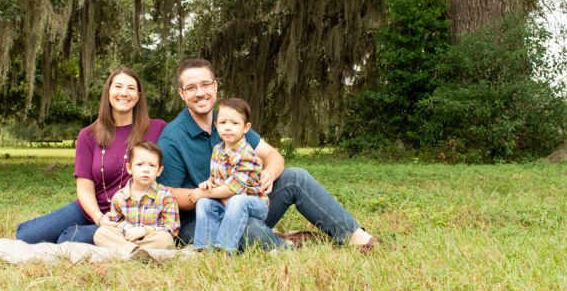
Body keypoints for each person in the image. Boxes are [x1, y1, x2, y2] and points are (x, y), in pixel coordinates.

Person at [157, 58, 380, 251]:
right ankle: (285, 247)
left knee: (296, 177)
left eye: (205, 84)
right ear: (182, 93)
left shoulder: (228, 120)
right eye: (191, 88)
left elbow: (273, 155)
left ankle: (358, 238)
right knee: (249, 230)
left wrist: (270, 173)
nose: (200, 93)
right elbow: (169, 194)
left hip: (244, 204)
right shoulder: (173, 136)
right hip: (201, 220)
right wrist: (215, 194)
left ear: (215, 86)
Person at [15, 67, 167, 245]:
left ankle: (88, 234)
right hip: (91, 208)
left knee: (70, 238)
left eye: (131, 88)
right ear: (108, 92)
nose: (124, 93)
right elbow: (84, 188)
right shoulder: (88, 135)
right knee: (27, 236)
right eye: (118, 86)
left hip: (130, 213)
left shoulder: (157, 129)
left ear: (139, 96)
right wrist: (99, 218)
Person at [191, 98, 268, 252]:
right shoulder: (218, 150)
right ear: (216, 125)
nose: (228, 128)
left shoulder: (246, 154)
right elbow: (215, 175)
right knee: (204, 203)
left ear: (246, 128)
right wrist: (208, 183)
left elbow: (233, 189)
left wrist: (202, 192)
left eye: (234, 123)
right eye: (223, 123)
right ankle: (204, 248)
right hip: (226, 201)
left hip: (254, 203)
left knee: (236, 201)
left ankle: (225, 248)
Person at [94, 140, 180, 260]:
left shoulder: (165, 196)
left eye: (152, 165)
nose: (146, 169)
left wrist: (144, 230)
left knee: (165, 239)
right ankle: (135, 253)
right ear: (129, 168)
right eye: (140, 164)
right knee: (101, 233)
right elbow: (115, 224)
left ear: (159, 171)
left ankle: (128, 253)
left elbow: (172, 228)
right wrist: (128, 228)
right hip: (126, 239)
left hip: (150, 240)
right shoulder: (119, 197)